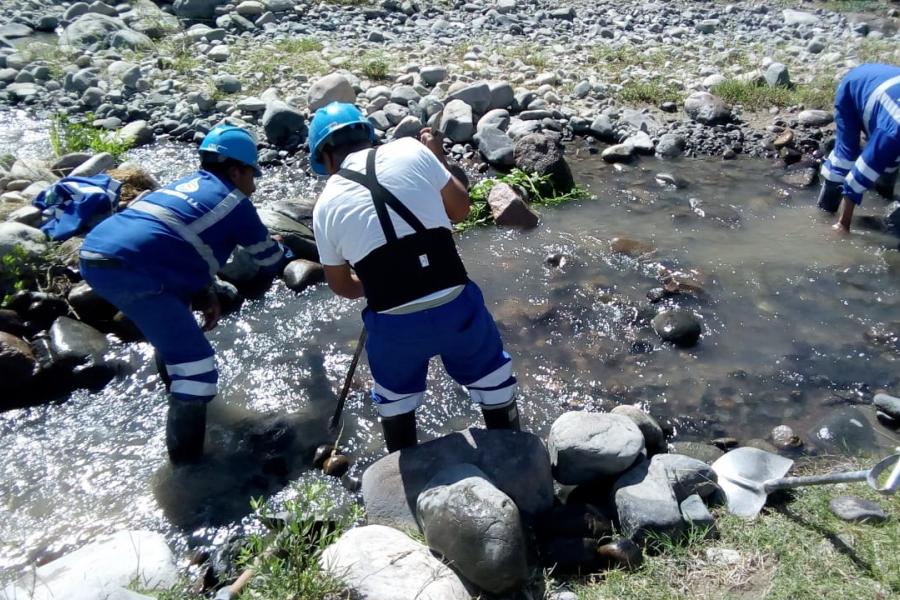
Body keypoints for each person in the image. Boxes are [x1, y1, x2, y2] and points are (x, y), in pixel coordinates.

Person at [308, 102, 519, 452]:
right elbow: (461, 210)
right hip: (456, 306)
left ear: (326, 156)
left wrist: (381, 281)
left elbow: (342, 286)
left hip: (393, 324)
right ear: (367, 134)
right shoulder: (411, 150)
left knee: (395, 399)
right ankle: (515, 454)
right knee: (493, 379)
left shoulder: (325, 205)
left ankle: (401, 468)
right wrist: (438, 157)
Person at [79, 125, 289, 464]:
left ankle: (177, 391)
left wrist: (204, 290)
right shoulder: (235, 202)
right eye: (253, 173)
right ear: (236, 170)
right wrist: (288, 249)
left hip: (96, 255)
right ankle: (188, 469)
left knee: (176, 337)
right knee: (198, 367)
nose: (254, 183)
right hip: (132, 270)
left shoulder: (182, 186)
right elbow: (269, 259)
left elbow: (176, 243)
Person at [816, 63, 900, 233]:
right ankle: (825, 211)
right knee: (845, 159)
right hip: (854, 88)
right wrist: (843, 225)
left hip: (885, 87)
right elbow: (857, 176)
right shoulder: (892, 134)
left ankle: (884, 200)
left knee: (889, 167)